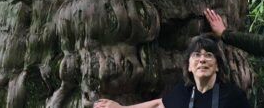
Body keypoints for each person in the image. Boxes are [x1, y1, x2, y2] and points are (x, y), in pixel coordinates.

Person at [94, 35, 250, 108]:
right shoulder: (184, 92)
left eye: (209, 55)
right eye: (196, 55)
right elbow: (159, 105)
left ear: (217, 66)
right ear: (189, 66)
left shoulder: (232, 96)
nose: (202, 60)